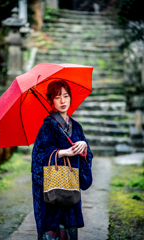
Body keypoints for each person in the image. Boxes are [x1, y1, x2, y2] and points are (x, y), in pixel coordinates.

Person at [31, 80, 93, 240]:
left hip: (71, 190)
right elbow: (38, 157)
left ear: (71, 98)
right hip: (52, 192)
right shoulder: (47, 127)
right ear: (50, 101)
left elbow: (87, 156)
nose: (63, 101)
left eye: (66, 96)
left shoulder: (77, 127)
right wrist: (62, 152)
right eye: (57, 97)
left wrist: (83, 146)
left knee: (70, 231)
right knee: (52, 233)